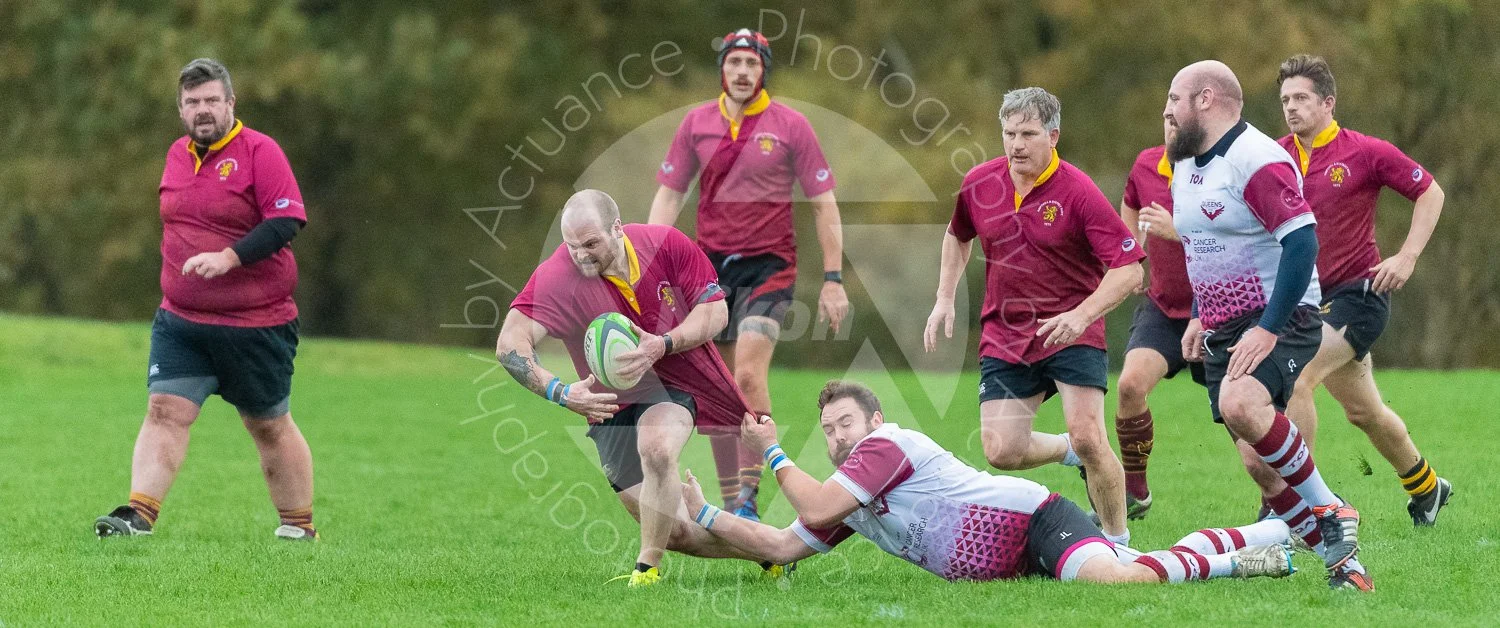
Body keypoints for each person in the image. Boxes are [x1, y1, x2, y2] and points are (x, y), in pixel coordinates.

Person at [680, 380, 1296, 584]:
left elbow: (813, 510)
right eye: (829, 430)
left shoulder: (884, 448)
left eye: (847, 423)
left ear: (875, 421)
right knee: (1136, 563)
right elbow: (783, 545)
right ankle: (1268, 533)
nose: (838, 436)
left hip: (1034, 520)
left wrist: (773, 451)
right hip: (1015, 561)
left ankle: (1244, 563)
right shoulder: (853, 491)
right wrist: (705, 514)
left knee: (1114, 581)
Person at [498, 190, 784, 587]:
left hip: (674, 380)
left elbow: (715, 312)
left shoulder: (665, 245)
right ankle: (773, 548)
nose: (581, 256)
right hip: (606, 405)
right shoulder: (558, 274)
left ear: (617, 228)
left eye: (591, 244)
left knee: (657, 448)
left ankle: (646, 570)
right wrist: (561, 392)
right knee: (675, 531)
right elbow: (510, 344)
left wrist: (663, 344)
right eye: (572, 246)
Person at [1164, 60, 1369, 591]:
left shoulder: (1256, 159)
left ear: (1206, 100)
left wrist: (1270, 328)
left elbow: (1302, 243)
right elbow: (1205, 247)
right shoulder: (1184, 163)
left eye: (1175, 99)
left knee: (1240, 403)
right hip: (1222, 326)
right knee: (1259, 465)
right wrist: (1198, 313)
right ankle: (1345, 565)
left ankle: (1332, 508)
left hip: (1282, 313)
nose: (1167, 110)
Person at [95, 58, 316, 541]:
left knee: (268, 425)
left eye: (212, 100)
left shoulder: (261, 151)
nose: (203, 110)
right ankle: (138, 516)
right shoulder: (176, 154)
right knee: (164, 410)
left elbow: (285, 222)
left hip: (255, 324)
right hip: (182, 322)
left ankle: (299, 527)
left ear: (230, 103)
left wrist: (230, 258)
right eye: (192, 102)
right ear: (180, 109)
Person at [923, 87, 1144, 545]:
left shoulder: (1078, 191)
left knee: (1090, 435)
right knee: (1001, 451)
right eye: (1009, 134)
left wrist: (1081, 316)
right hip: (1005, 334)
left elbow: (1129, 270)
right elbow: (957, 235)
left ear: (1053, 136)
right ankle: (1068, 451)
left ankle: (1118, 545)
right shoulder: (980, 182)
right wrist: (944, 297)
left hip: (1071, 331)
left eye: (1028, 134)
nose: (1016, 145)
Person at [649, 28, 849, 521]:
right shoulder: (696, 123)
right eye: (734, 62)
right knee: (718, 386)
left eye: (752, 63)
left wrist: (833, 279)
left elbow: (824, 205)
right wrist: (650, 262)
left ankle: (748, 498)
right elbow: (670, 195)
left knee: (746, 374)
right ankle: (733, 497)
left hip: (770, 267)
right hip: (708, 269)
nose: (742, 72)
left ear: (764, 70)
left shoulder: (791, 125)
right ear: (723, 68)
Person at [1274, 54, 1452, 526]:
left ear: (1328, 103)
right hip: (1307, 302)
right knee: (1364, 412)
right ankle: (1428, 488)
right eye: (1285, 99)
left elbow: (1431, 192)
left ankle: (1299, 508)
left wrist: (1407, 256)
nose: (1291, 107)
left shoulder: (1366, 152)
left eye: (1301, 98)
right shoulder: (1273, 157)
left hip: (1360, 295)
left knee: (1297, 376)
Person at [1112, 130, 1207, 519]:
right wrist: (1131, 252)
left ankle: (1277, 503)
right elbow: (1130, 202)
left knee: (1242, 413)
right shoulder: (1147, 164)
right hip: (1164, 308)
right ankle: (1135, 492)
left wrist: (1177, 231)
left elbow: (1240, 234)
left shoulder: (1225, 166)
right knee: (1130, 386)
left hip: (1219, 309)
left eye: (1179, 118)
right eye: (1168, 116)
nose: (1172, 125)